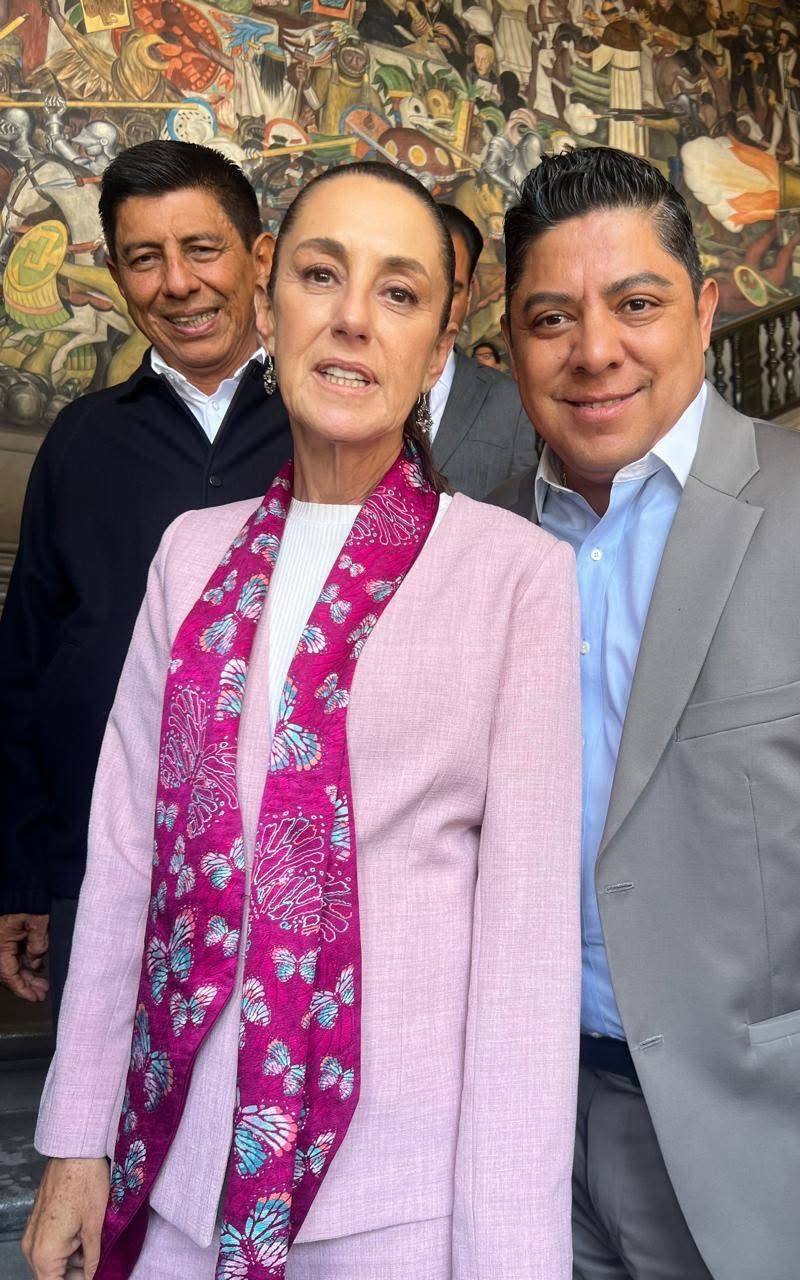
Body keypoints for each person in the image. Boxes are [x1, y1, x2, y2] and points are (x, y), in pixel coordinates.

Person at [23, 160, 581, 1280]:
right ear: (271, 296)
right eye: (323, 275)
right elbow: (129, 862)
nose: (352, 318)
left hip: (400, 1203)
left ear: (439, 344)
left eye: (399, 292)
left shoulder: (514, 573)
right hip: (175, 1165)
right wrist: (77, 1143)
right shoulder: (192, 554)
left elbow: (525, 953)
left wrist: (509, 1253)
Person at [490, 147, 800, 1280]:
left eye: (636, 304)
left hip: (772, 1163)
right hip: (525, 1145)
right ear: (508, 343)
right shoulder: (484, 541)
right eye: (552, 319)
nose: (594, 350)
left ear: (703, 311)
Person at [0, 140, 291, 1021]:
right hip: (102, 871)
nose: (177, 284)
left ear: (260, 257)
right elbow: (24, 670)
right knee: (98, 1101)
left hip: (290, 876)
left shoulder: (332, 425)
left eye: (201, 249)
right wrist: (22, 874)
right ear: (119, 277)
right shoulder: (81, 442)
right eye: (143, 258)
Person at [429, 202, 538, 498]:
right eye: (411, 288)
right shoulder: (347, 386)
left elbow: (521, 511)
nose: (436, 308)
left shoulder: (510, 402)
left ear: (470, 294)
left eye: (452, 290)